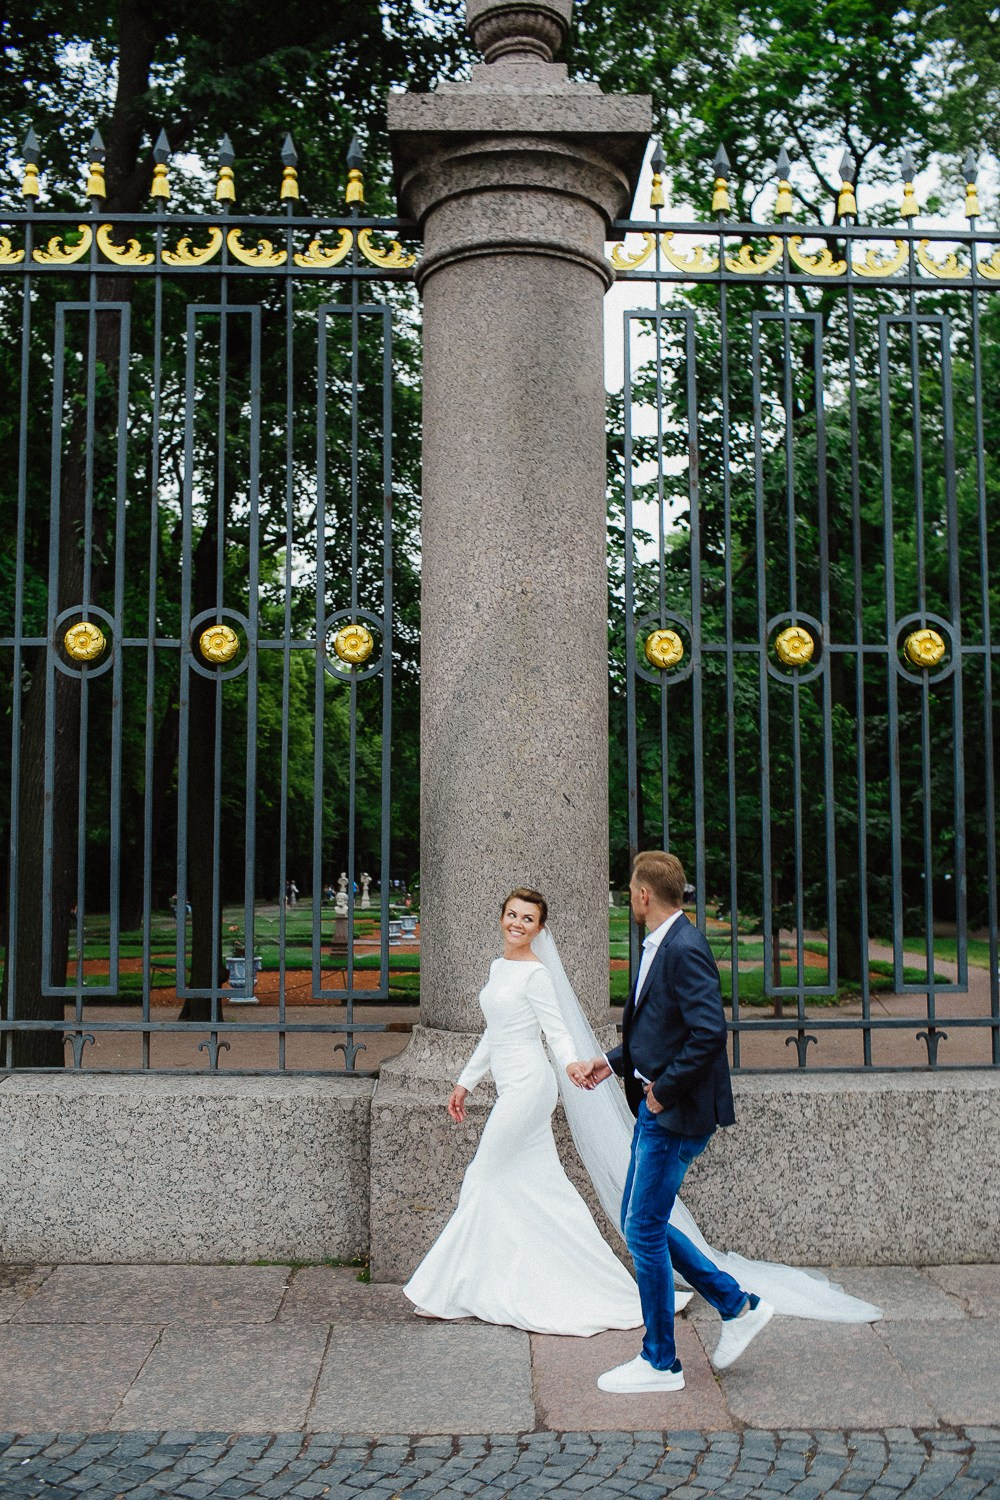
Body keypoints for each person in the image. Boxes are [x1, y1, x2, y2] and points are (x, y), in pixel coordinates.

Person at [404, 877, 881, 1361]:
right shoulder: (499, 967)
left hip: (531, 1088)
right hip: (510, 1083)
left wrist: (577, 1065)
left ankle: (668, 1349)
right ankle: (517, 1283)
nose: (517, 923)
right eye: (512, 914)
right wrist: (467, 1080)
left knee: (487, 1176)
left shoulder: (541, 974)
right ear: (501, 918)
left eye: (528, 918)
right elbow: (496, 1032)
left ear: (540, 928)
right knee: (552, 1191)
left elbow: (561, 1031)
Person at [581, 850, 774, 1393]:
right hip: (659, 1102)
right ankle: (737, 1306)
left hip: (675, 1110)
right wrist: (612, 1061)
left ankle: (660, 1361)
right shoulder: (665, 941)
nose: (629, 899)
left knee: (641, 1226)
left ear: (645, 895)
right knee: (642, 1222)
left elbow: (709, 1032)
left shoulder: (683, 947)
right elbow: (658, 1029)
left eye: (630, 891)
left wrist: (662, 1093)